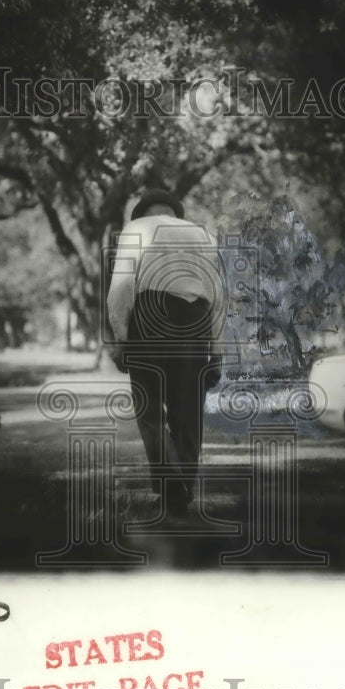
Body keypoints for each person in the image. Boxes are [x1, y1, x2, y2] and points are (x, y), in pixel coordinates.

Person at [106, 189, 226, 517]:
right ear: (174, 213)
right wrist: (215, 350)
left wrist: (120, 337)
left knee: (149, 409)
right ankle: (182, 488)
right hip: (195, 317)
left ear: (144, 213)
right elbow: (217, 296)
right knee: (187, 411)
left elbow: (121, 286)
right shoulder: (203, 235)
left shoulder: (137, 230)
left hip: (151, 315)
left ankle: (171, 484)